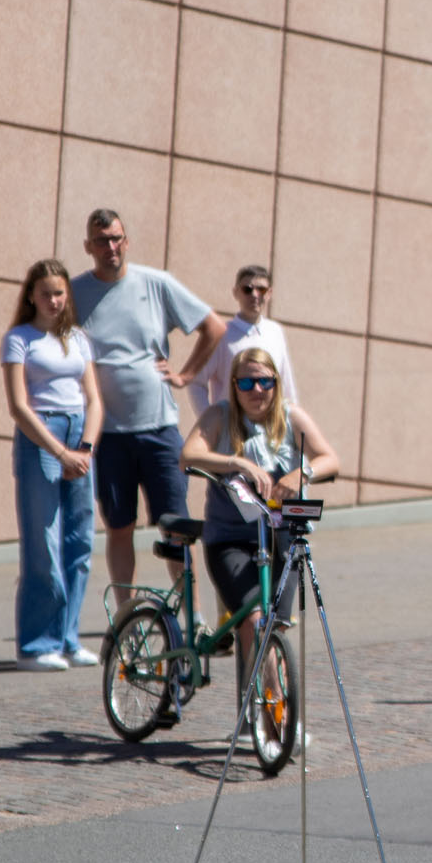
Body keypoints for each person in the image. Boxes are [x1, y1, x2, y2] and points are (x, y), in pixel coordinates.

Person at [71, 208, 226, 597]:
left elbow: (214, 327)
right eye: (102, 241)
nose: (111, 247)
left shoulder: (155, 283)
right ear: (88, 246)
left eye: (117, 238)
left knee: (175, 525)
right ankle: (125, 617)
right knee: (119, 527)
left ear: (127, 241)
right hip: (109, 434)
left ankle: (191, 615)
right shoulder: (73, 293)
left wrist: (186, 375)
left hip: (158, 429)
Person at [180, 346, 339, 675]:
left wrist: (301, 473)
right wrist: (236, 462)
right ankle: (267, 717)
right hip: (230, 539)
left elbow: (330, 459)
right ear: (234, 385)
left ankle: (272, 715)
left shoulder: (290, 416)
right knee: (253, 622)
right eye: (247, 383)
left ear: (276, 384)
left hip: (281, 535)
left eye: (265, 382)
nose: (257, 391)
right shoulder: (220, 416)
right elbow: (189, 455)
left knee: (276, 624)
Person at [2, 258, 104, 670]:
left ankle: (68, 638)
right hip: (40, 436)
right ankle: (35, 645)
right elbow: (18, 407)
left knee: (79, 543)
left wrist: (86, 448)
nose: (54, 300)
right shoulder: (19, 338)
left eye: (59, 292)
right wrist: (60, 453)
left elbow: (94, 398)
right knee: (43, 544)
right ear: (31, 296)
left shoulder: (78, 339)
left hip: (80, 436)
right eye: (45, 293)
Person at [187, 263, 298, 417]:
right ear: (236, 293)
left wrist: (289, 428)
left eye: (261, 289)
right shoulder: (221, 334)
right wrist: (210, 425)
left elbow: (286, 387)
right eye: (247, 289)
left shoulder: (275, 332)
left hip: (269, 432)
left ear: (270, 293)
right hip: (231, 431)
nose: (255, 295)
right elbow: (196, 382)